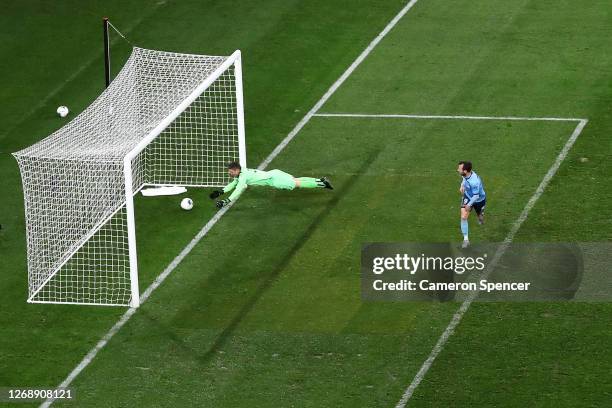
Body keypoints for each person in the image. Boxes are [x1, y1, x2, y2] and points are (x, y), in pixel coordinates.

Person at [210, 162, 333, 209]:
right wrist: (221, 191)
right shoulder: (242, 173)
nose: (229, 173)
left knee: (297, 183)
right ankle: (320, 180)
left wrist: (226, 201)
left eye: (231, 171)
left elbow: (238, 189)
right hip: (275, 173)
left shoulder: (243, 177)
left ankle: (322, 183)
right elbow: (233, 184)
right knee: (296, 180)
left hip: (275, 180)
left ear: (236, 170)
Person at [457, 161, 486, 248]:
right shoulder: (467, 174)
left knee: (480, 218)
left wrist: (469, 205)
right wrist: (462, 185)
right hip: (468, 196)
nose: (457, 170)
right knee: (463, 217)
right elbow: (464, 179)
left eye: (459, 169)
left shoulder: (474, 181)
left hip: (478, 199)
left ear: (465, 171)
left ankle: (480, 214)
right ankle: (466, 240)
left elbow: (476, 196)